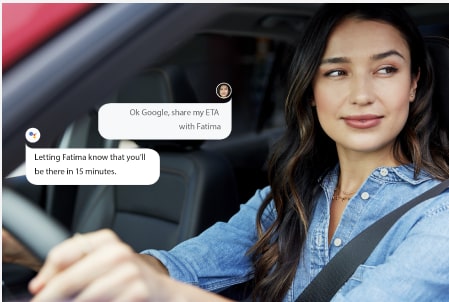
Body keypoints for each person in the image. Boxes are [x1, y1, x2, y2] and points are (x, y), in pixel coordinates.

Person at [3, 4, 449, 302]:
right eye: (336, 72)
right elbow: (180, 266)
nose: (361, 95)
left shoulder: (439, 218)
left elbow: (165, 287)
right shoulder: (287, 197)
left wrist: (162, 294)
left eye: (386, 69)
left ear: (413, 85)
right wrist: (35, 254)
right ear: (311, 92)